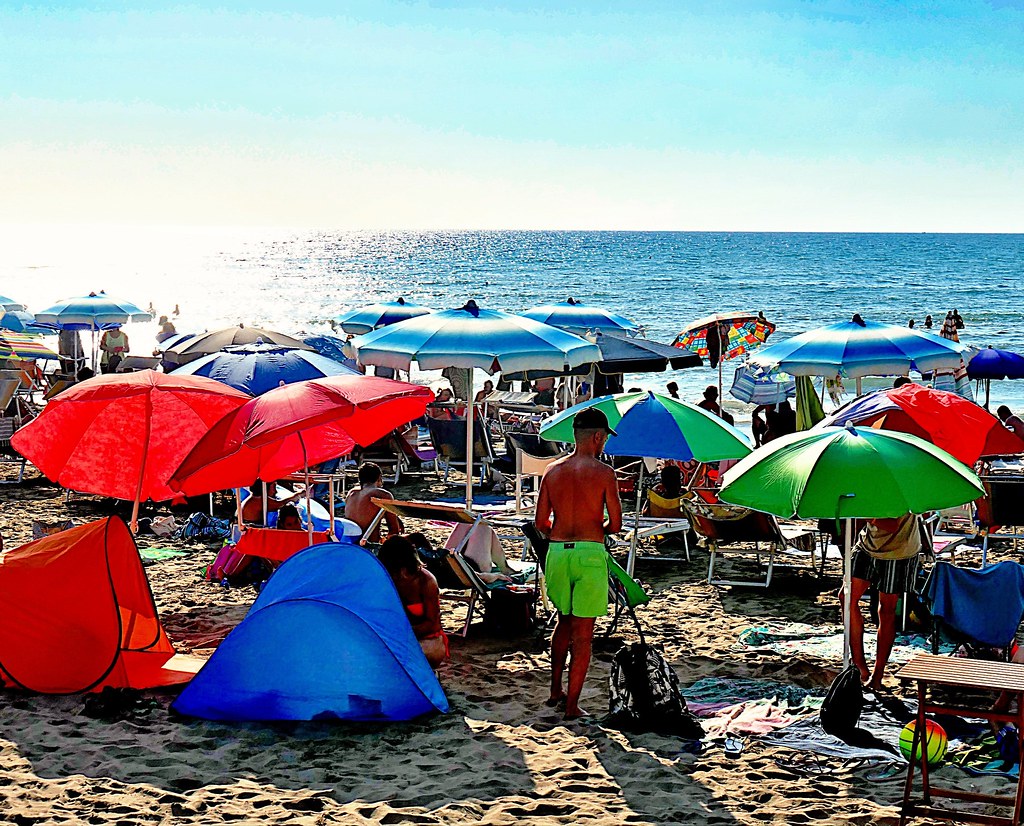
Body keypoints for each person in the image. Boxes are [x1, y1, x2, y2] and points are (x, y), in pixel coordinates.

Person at [535, 407, 622, 719]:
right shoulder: (604, 473)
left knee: (564, 620)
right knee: (583, 634)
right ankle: (572, 706)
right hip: (588, 551)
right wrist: (592, 525)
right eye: (603, 440)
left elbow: (540, 522)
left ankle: (555, 689)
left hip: (558, 551)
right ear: (597, 437)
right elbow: (616, 525)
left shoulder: (552, 471)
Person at [842, 513, 922, 690]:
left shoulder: (902, 487)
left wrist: (860, 511)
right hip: (867, 544)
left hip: (899, 550)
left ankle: (877, 675)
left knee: (886, 610)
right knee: (846, 597)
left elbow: (891, 524)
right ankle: (860, 667)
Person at [378, 535, 448, 668]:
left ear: (404, 569)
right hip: (396, 638)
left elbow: (432, 624)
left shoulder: (426, 582)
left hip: (429, 640)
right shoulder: (385, 580)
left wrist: (403, 633)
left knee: (400, 654)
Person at [344, 462, 401, 543]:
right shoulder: (382, 494)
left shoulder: (352, 493)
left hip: (349, 541)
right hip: (368, 544)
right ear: (379, 478)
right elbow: (394, 530)